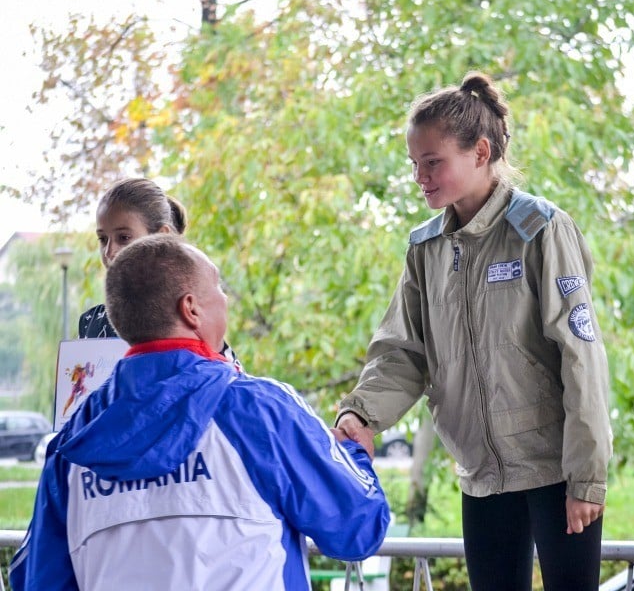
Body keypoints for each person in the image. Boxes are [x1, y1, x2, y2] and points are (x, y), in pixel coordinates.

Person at [335, 72, 612, 591]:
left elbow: (582, 357)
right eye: (415, 164)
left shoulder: (541, 229)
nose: (420, 175)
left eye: (433, 161)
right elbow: (402, 351)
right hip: (482, 478)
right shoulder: (425, 250)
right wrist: (361, 413)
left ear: (480, 152)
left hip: (557, 475)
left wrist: (587, 478)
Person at [10, 234, 391, 591]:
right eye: (219, 288)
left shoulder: (72, 446)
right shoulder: (260, 410)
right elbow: (357, 527)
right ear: (191, 308)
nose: (225, 299)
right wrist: (353, 454)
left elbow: (37, 577)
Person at [78, 177, 242, 368]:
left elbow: (229, 382)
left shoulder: (190, 314)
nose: (109, 251)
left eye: (124, 237)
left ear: (161, 236)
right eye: (103, 239)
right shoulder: (92, 323)